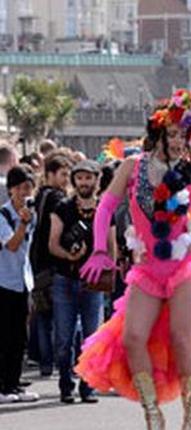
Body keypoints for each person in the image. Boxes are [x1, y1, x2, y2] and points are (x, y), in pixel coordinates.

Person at [75, 90, 191, 430]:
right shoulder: (132, 167)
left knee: (181, 338)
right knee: (132, 337)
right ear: (159, 134)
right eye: (174, 134)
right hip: (147, 268)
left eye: (185, 135)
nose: (180, 141)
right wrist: (99, 249)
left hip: (184, 267)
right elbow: (106, 206)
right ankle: (153, 415)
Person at [48, 160, 103, 404]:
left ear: (96, 180)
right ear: (74, 181)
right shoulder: (63, 207)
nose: (84, 182)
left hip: (94, 283)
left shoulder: (104, 208)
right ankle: (66, 385)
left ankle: (87, 386)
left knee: (92, 337)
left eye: (88, 178)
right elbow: (53, 243)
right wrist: (69, 255)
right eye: (79, 178)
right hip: (65, 279)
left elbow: (110, 245)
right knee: (63, 338)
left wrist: (108, 263)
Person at [28, 154, 72, 378]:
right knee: (57, 315)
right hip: (53, 262)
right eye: (63, 174)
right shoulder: (57, 199)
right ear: (50, 175)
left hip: (37, 262)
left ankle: (46, 362)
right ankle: (57, 360)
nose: (66, 179)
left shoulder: (38, 196)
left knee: (43, 313)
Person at [0, 166, 39, 403]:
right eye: (22, 188)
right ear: (12, 190)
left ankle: (14, 385)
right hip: (4, 282)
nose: (26, 193)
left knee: (19, 338)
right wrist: (23, 223)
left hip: (23, 282)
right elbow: (12, 245)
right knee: (3, 336)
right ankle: (2, 387)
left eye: (29, 188)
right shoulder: (3, 216)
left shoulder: (30, 214)